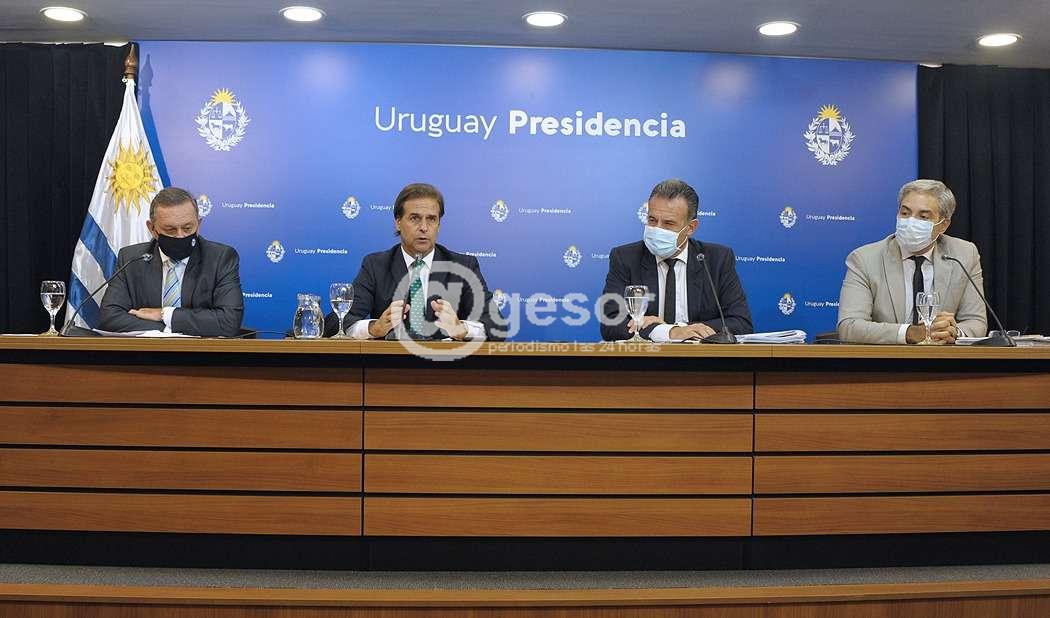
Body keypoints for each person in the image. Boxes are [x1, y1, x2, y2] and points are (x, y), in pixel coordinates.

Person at [324, 182, 502, 340]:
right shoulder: (376, 266)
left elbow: (497, 325)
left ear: (439, 224)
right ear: (398, 222)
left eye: (431, 219)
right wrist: (374, 328)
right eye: (415, 218)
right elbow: (335, 323)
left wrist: (462, 329)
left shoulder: (463, 267)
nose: (424, 227)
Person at [837, 179, 987, 344]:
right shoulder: (865, 259)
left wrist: (953, 332)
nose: (910, 222)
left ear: (943, 225)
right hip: (887, 358)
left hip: (943, 357)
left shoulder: (964, 254)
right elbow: (849, 326)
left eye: (923, 217)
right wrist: (909, 332)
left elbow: (976, 321)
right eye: (905, 213)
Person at [600, 179, 753, 341]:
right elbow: (611, 324)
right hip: (647, 356)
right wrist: (668, 332)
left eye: (668, 223)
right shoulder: (625, 258)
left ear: (691, 228)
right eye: (652, 220)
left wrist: (678, 329)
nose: (657, 229)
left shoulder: (717, 259)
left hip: (701, 356)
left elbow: (741, 323)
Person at [98, 187, 243, 337]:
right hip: (146, 350)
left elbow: (228, 322)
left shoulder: (220, 258)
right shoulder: (131, 258)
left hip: (202, 351)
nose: (180, 236)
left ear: (198, 225)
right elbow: (109, 317)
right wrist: (168, 329)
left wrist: (165, 315)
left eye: (187, 228)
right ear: (152, 229)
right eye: (170, 230)